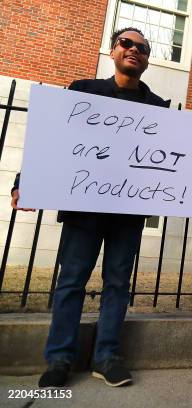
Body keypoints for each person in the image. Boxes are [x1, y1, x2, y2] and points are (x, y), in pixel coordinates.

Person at [11, 27, 169, 388]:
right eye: (126, 44)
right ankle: (59, 359)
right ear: (113, 51)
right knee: (71, 281)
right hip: (84, 209)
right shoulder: (84, 91)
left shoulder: (158, 107)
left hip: (127, 213)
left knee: (117, 283)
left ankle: (107, 356)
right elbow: (52, 139)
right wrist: (25, 181)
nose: (134, 50)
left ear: (146, 60)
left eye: (142, 48)